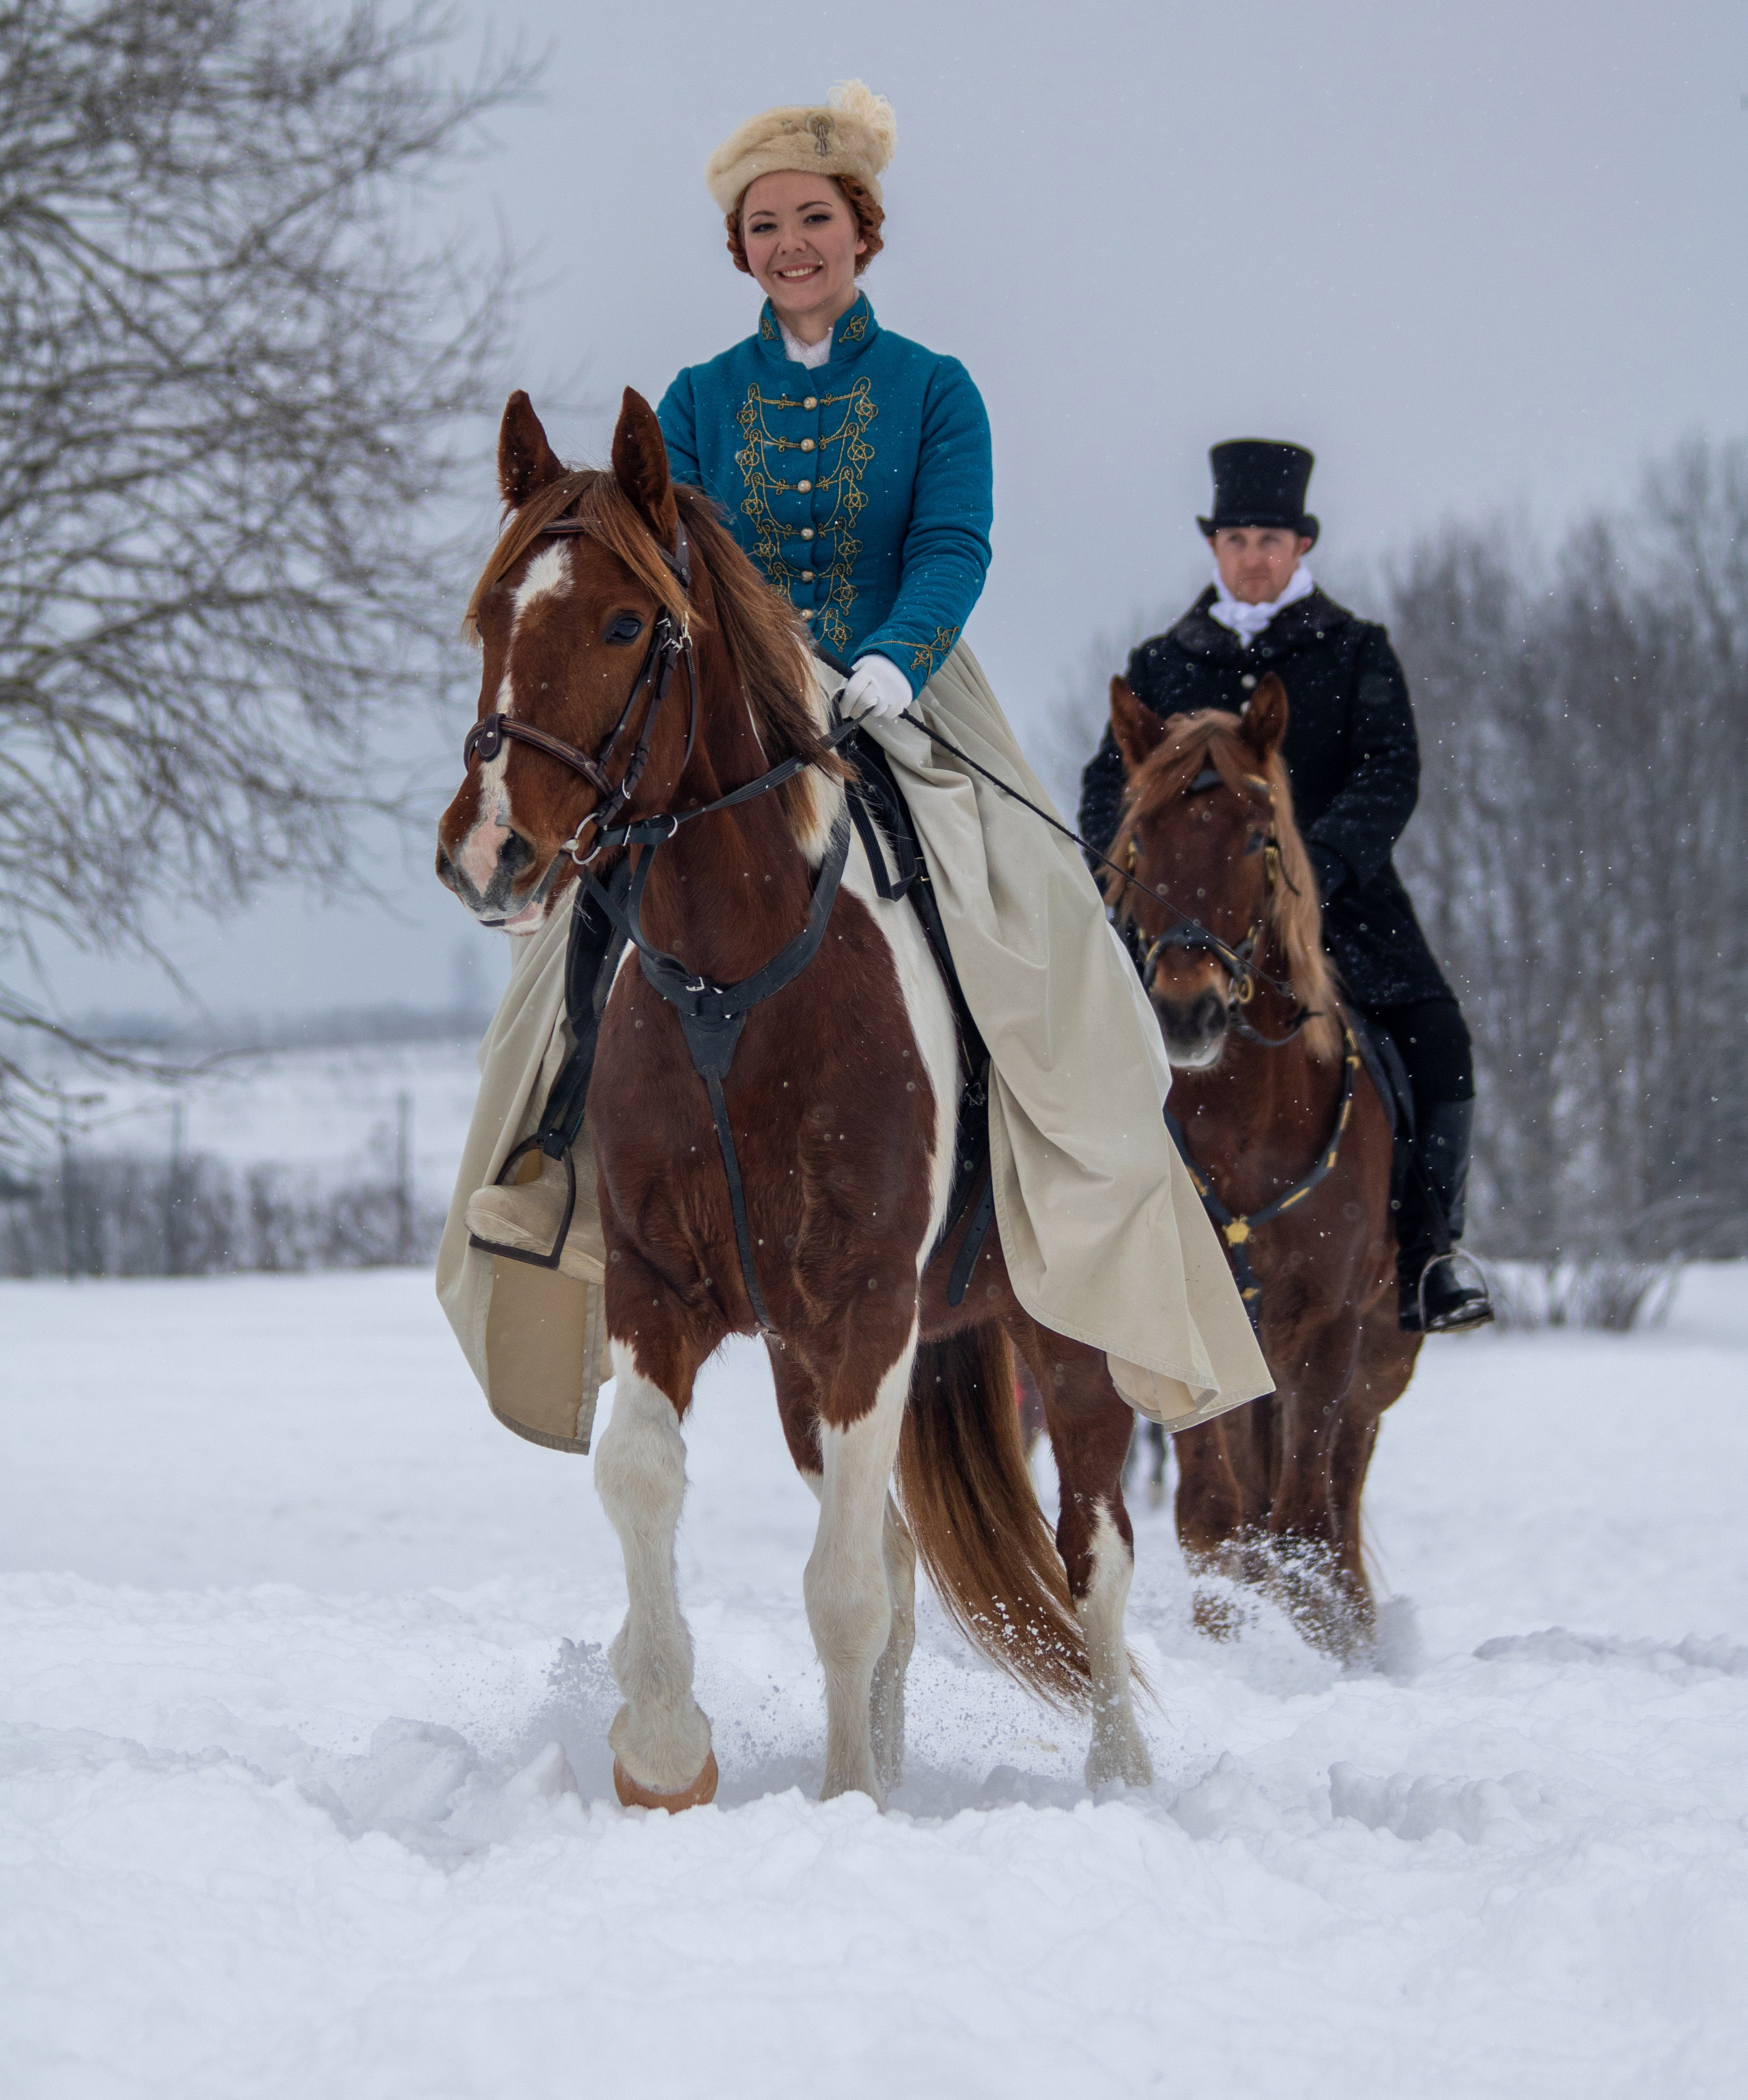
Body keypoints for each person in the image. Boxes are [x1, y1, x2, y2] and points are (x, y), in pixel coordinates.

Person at [445, 82, 1272, 1440]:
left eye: (812, 219)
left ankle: (1061, 1178)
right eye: (762, 225)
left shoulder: (935, 390)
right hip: (735, 715)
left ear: (860, 232)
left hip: (909, 693)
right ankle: (551, 1167)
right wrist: (763, 684)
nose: (789, 243)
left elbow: (953, 545)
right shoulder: (701, 400)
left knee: (1039, 910)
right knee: (574, 925)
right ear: (740, 250)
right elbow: (678, 570)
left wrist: (887, 659)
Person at [1078, 438, 1494, 1334]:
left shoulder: (1355, 652)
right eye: (1237, 539)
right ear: (1214, 548)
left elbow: (1390, 772)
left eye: (1270, 539)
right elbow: (1106, 784)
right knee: (1070, 1040)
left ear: (1302, 546)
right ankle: (1083, 1246)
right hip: (1182, 915)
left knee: (1439, 1038)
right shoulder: (1163, 660)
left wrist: (1322, 868)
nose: (1254, 555)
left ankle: (1429, 1254)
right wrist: (1117, 872)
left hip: (1335, 910)